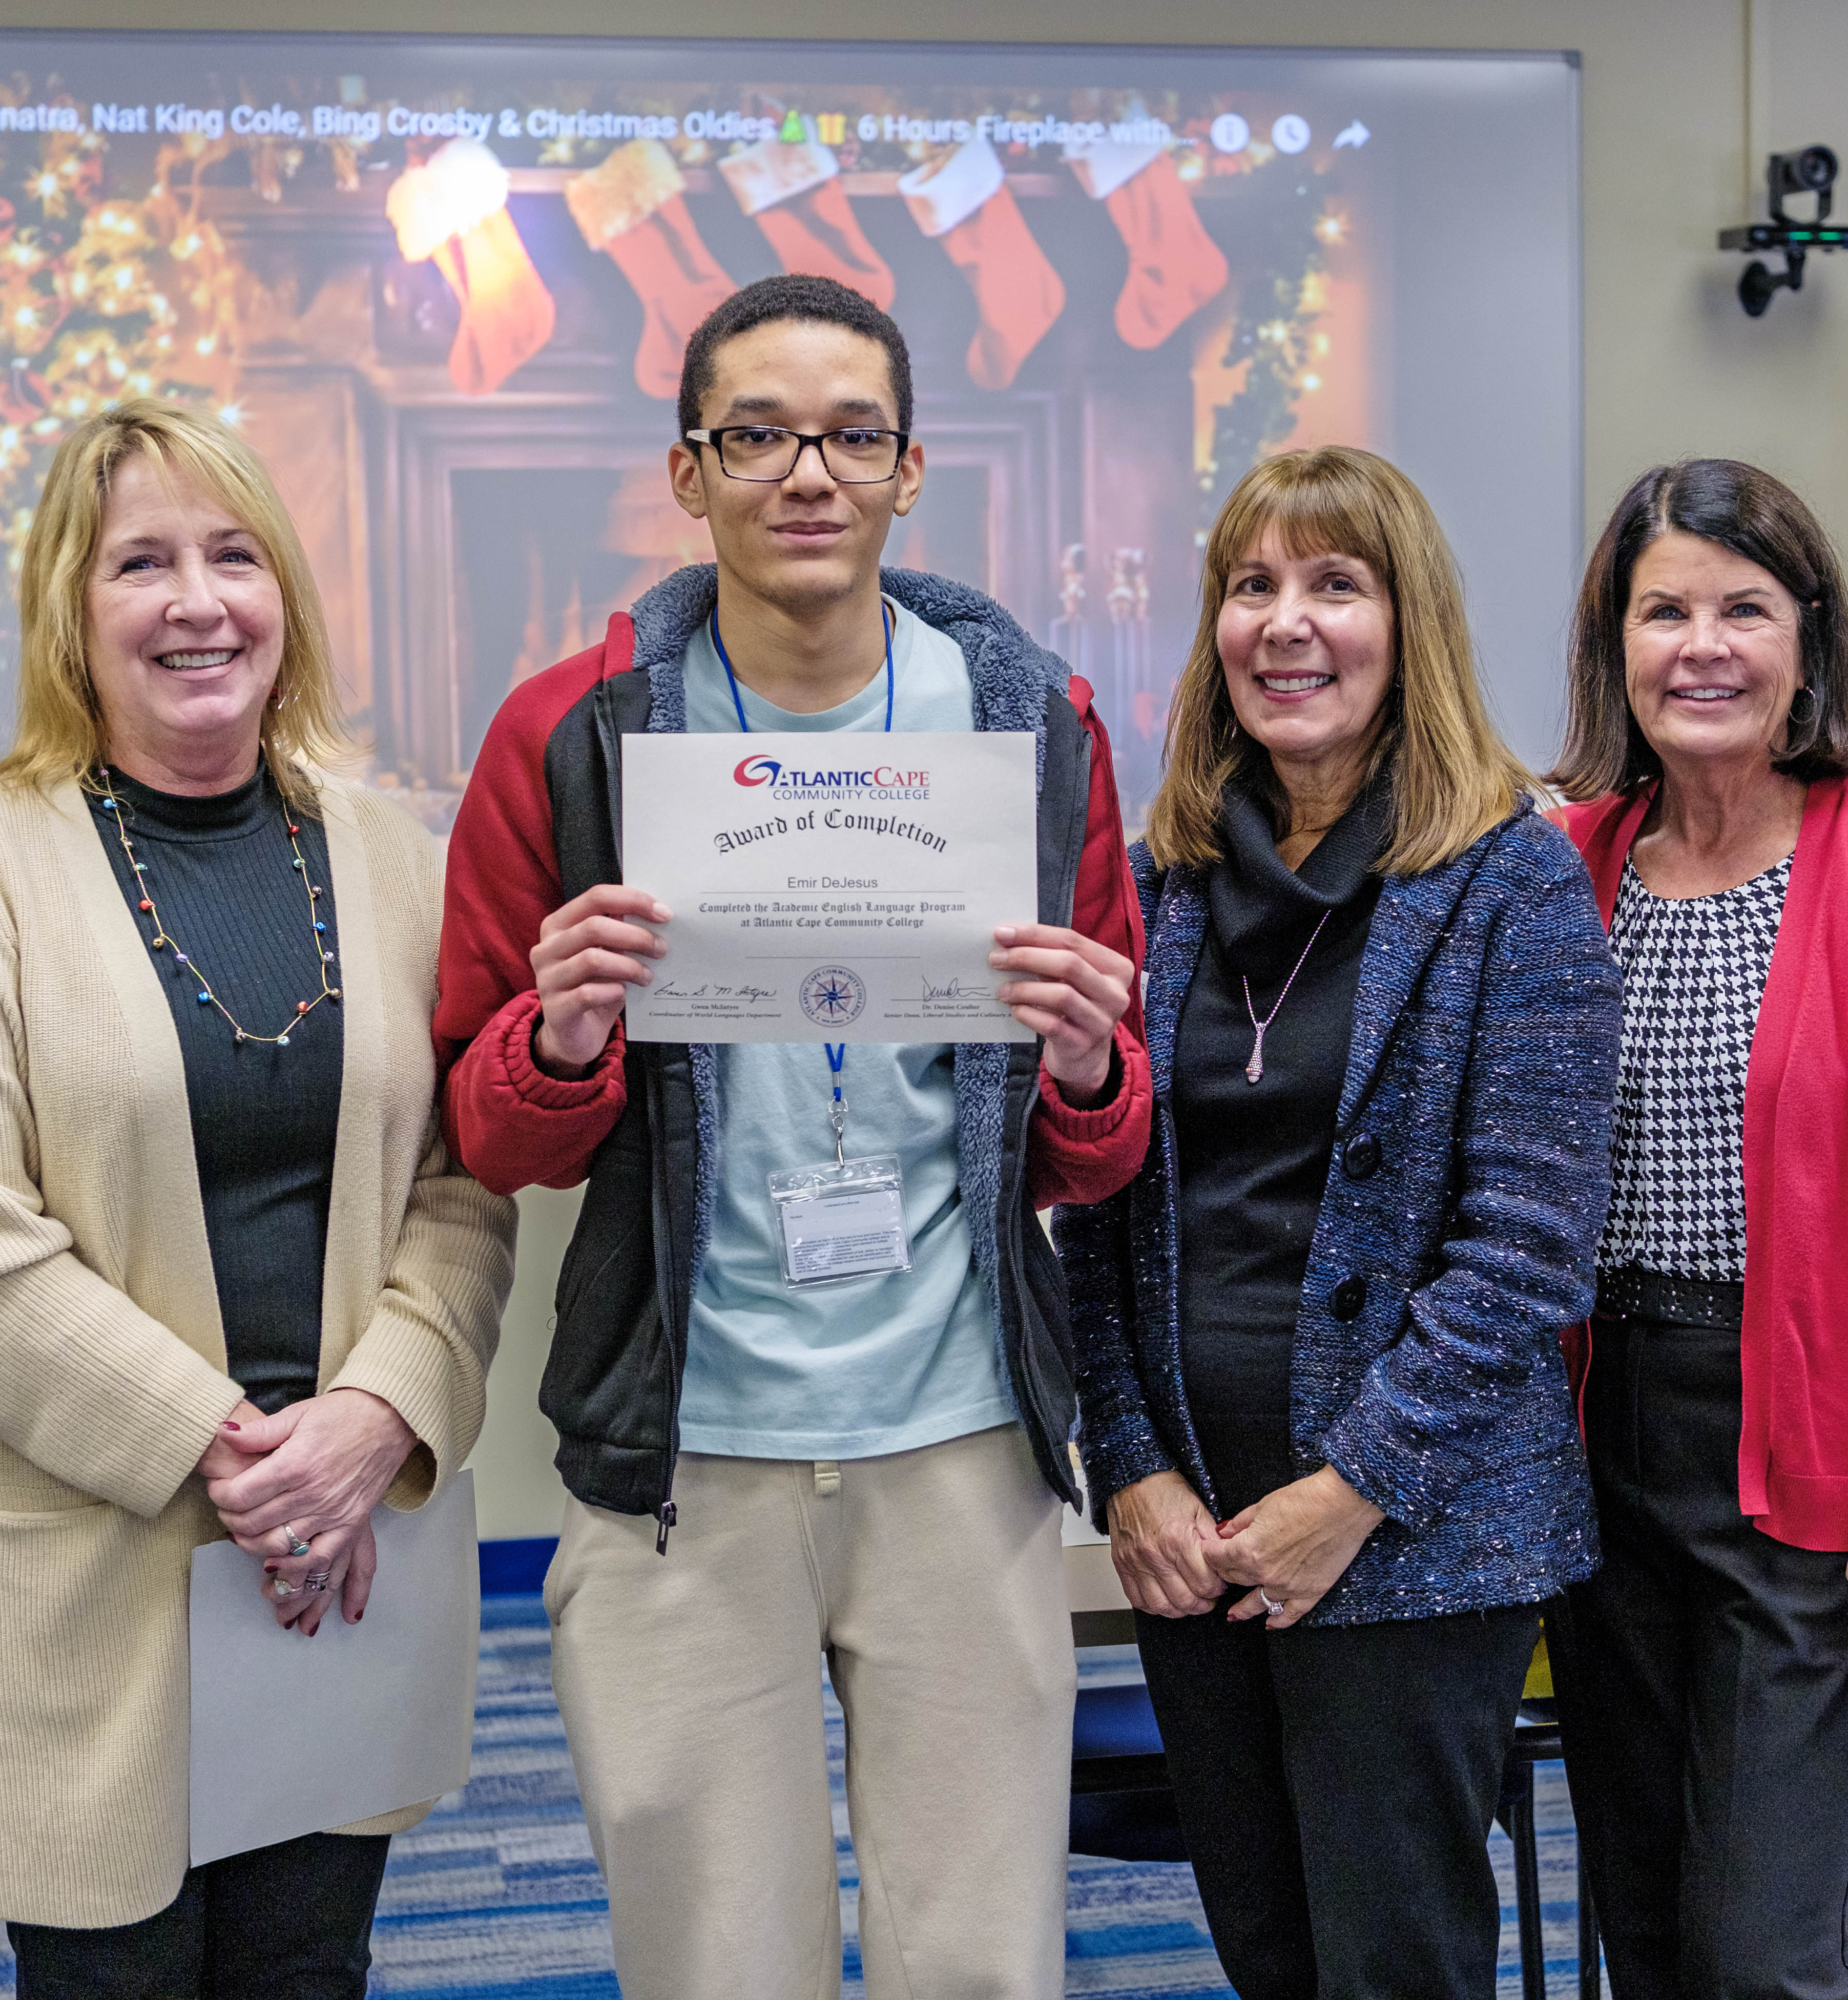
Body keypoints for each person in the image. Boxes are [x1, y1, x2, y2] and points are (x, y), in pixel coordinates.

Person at [433, 273, 1151, 2000]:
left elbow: (1100, 1145)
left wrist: (1081, 1070)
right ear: (689, 473)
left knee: (978, 1961)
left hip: (959, 1438)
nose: (806, 472)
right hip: (684, 1451)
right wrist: (567, 1034)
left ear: (914, 468)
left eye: (850, 435)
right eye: (757, 434)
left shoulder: (1033, 728)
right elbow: (486, 1127)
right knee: (712, 1965)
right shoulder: (570, 735)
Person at [0, 400, 515, 1999]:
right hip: (101, 1559)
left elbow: (461, 1186)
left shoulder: (389, 851)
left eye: (233, 555)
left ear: (286, 592)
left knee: (309, 1969)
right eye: (141, 563)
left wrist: (369, 1426)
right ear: (73, 614)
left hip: (340, 1549)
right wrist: (239, 1462)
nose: (198, 601)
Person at [1056, 446, 1620, 2000]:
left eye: (1334, 585)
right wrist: (1136, 1469)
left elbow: (1528, 1250)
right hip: (1193, 1525)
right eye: (1253, 587)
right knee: (1267, 1942)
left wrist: (1352, 1489)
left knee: (1397, 1959)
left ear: (1408, 624)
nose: (1285, 624)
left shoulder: (1512, 882)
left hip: (1416, 1525)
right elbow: (1092, 1213)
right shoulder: (1159, 881)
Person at [1541, 458, 1848, 1999]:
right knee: (1652, 1923)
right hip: (1595, 1444)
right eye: (1664, 610)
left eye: (1744, 609)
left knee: (1773, 1949)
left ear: (1808, 643)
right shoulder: (1572, 867)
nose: (1704, 646)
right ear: (1614, 649)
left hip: (1808, 1456)